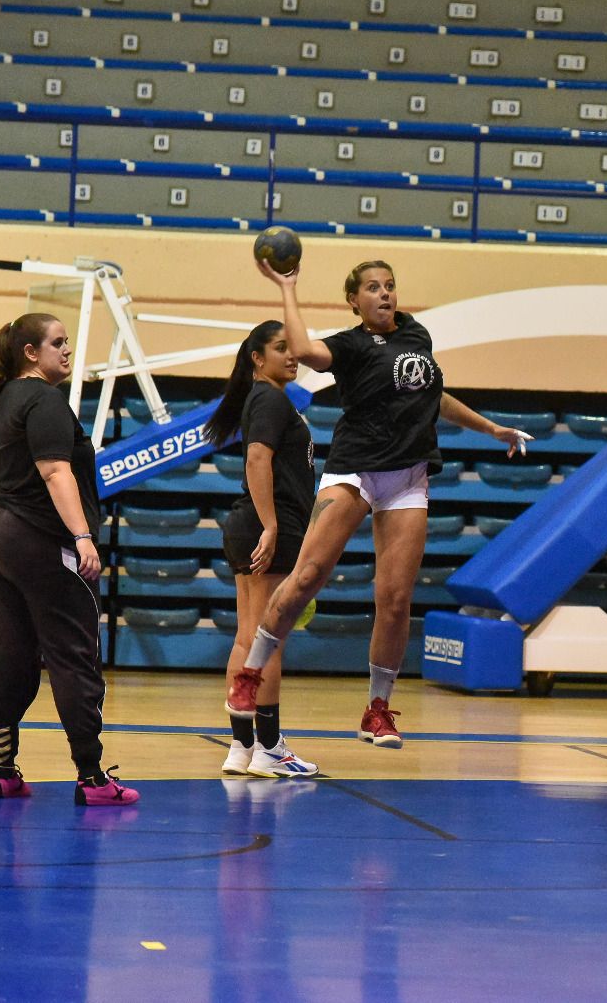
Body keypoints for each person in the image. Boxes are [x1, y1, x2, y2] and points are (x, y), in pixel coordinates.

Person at [226, 258, 531, 746]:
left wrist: (491, 428)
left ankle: (377, 710)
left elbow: (433, 396)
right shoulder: (350, 345)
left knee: (394, 600)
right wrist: (288, 287)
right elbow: (304, 350)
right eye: (372, 287)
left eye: (389, 285)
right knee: (305, 578)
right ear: (355, 301)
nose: (384, 293)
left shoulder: (417, 336)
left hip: (407, 477)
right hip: (355, 470)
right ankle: (250, 675)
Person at [0, 313, 139, 806]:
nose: (67, 350)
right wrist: (82, 536)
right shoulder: (43, 399)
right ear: (30, 352)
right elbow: (55, 471)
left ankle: (3, 770)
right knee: (73, 655)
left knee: (10, 652)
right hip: (40, 540)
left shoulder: (3, 399)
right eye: (57, 342)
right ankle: (92, 778)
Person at [206, 320, 319, 778]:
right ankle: (270, 747)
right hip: (269, 527)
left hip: (248, 525)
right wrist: (271, 526)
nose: (292, 356)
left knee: (248, 638)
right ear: (257, 358)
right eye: (280, 348)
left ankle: (242, 747)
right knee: (268, 642)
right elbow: (257, 460)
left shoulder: (262, 398)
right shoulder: (271, 399)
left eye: (293, 348)